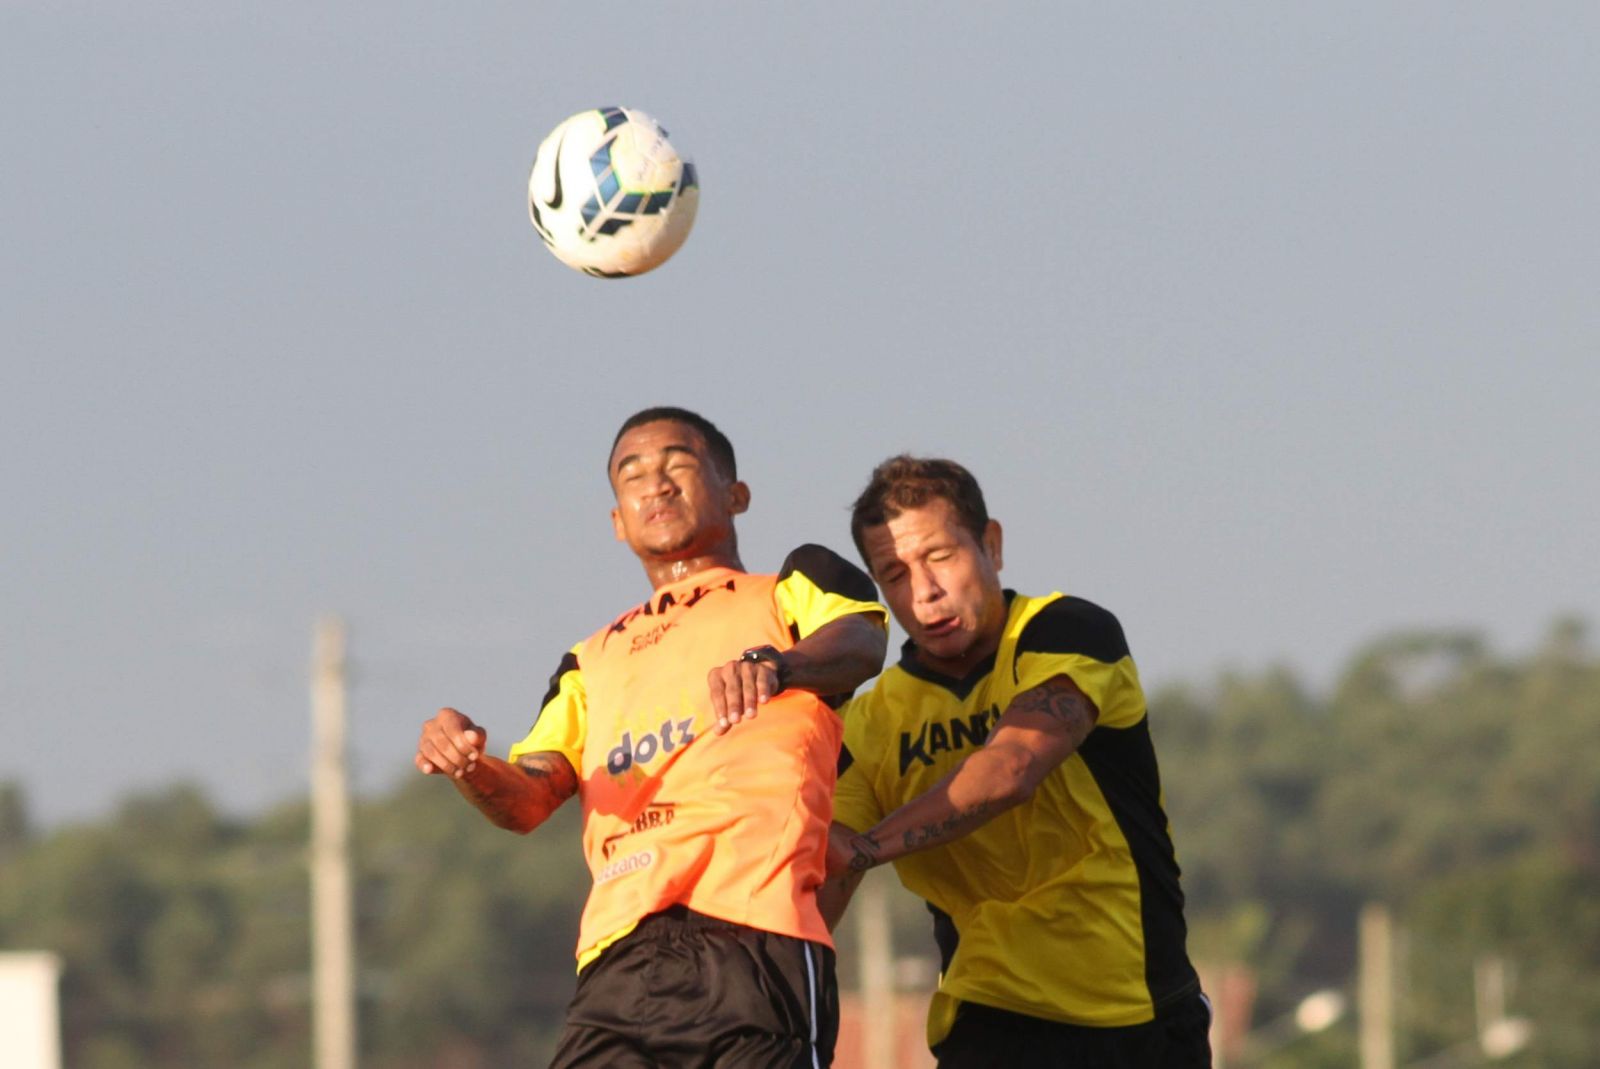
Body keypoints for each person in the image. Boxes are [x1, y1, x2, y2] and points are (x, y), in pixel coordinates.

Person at [415, 407, 887, 1069]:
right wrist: (468, 765)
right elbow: (527, 800)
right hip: (618, 960)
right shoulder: (588, 661)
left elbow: (862, 640)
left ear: (736, 493)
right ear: (618, 519)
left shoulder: (790, 587)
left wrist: (776, 665)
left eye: (678, 464)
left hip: (755, 935)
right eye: (632, 475)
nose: (656, 485)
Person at [820, 455, 1210, 1068]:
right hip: (988, 1017)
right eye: (894, 574)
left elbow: (1011, 769)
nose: (924, 591)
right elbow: (826, 875)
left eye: (940, 556)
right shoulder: (871, 721)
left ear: (992, 544)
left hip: (1138, 1013)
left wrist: (867, 848)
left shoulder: (1067, 630)